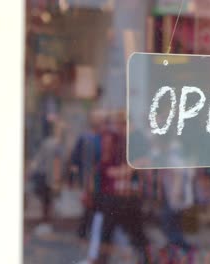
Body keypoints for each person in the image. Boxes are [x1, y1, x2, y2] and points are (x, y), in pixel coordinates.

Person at [81, 111, 151, 264]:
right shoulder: (116, 138)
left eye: (114, 123)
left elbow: (144, 161)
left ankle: (143, 259)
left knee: (130, 232)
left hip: (126, 194)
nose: (113, 127)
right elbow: (105, 166)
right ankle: (102, 259)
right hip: (116, 194)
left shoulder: (134, 138)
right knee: (113, 231)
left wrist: (125, 170)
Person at [69, 109, 106, 240]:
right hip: (89, 176)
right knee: (90, 204)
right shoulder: (85, 137)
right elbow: (75, 158)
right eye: (97, 119)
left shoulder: (105, 137)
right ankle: (85, 231)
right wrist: (75, 177)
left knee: (97, 205)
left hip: (103, 177)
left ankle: (92, 231)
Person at [28, 119, 65, 236]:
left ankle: (46, 224)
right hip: (49, 177)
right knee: (48, 202)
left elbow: (39, 161)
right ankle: (46, 224)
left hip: (46, 176)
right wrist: (55, 180)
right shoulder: (55, 144)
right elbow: (55, 164)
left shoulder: (48, 142)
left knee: (46, 202)